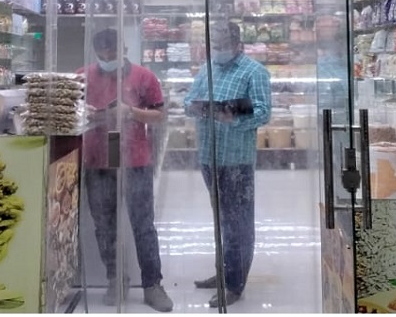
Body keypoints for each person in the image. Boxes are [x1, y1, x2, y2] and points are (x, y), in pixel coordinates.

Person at [78, 28, 174, 313]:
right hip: (98, 161)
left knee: (143, 225)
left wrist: (131, 112)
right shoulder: (82, 76)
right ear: (96, 52)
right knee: (104, 225)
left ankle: (153, 285)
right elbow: (73, 111)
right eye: (103, 55)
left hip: (135, 161)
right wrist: (90, 115)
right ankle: (115, 279)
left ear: (124, 49)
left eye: (113, 53)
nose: (108, 59)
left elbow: (159, 115)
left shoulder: (145, 77)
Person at [184, 21, 271, 308]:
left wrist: (232, 116)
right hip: (209, 157)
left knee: (238, 224)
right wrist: (196, 107)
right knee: (221, 220)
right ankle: (223, 272)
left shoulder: (254, 72)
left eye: (223, 45)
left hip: (236, 161)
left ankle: (234, 284)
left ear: (237, 45)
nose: (218, 51)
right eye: (215, 46)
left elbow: (263, 112)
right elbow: (188, 101)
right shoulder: (207, 69)